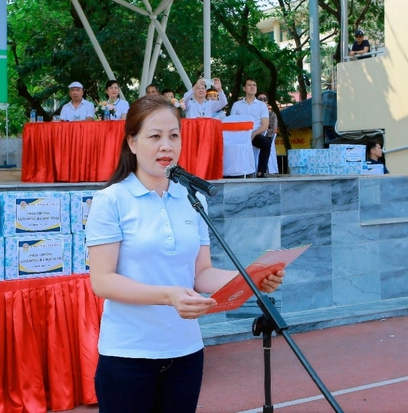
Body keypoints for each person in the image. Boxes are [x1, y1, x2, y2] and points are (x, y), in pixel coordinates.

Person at [84, 95, 284, 412]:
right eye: (155, 136)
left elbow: (201, 274)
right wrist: (170, 296)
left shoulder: (191, 199)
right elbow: (103, 281)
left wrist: (250, 278)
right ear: (132, 142)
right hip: (129, 355)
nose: (167, 146)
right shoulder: (112, 201)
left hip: (186, 353)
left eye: (174, 135)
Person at [231, 78, 272, 178]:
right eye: (249, 85)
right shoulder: (236, 105)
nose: (252, 87)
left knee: (266, 143)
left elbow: (265, 125)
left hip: (255, 134)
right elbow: (232, 123)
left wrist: (253, 134)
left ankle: (261, 172)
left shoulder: (262, 106)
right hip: (240, 135)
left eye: (254, 85)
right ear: (244, 88)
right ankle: (232, 173)